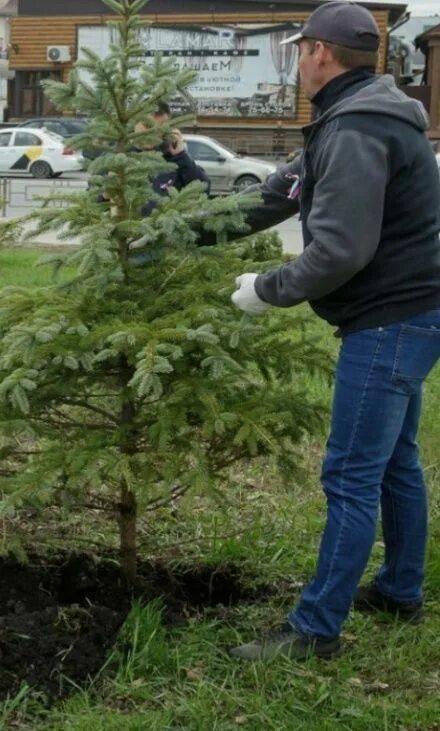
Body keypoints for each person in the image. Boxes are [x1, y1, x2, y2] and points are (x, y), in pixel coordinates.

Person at [196, 2, 440, 660]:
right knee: (394, 462)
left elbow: (339, 251)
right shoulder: (350, 115)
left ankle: (315, 629)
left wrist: (265, 290)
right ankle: (400, 588)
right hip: (411, 310)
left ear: (322, 55)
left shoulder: (359, 128)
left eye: (300, 48)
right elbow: (280, 194)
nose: (297, 58)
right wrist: (180, 228)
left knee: (351, 475)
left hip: (392, 318)